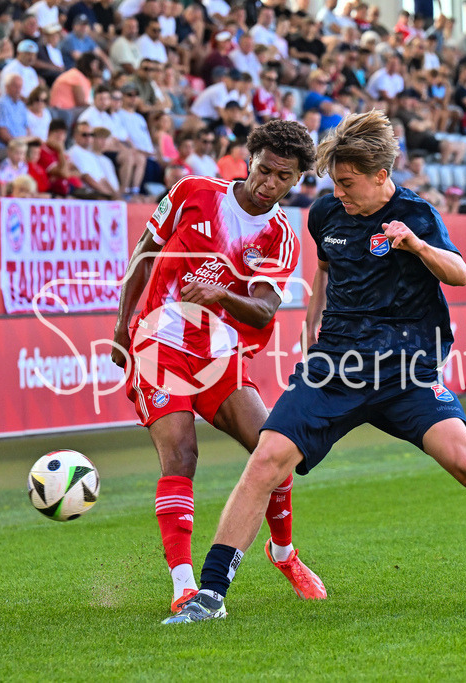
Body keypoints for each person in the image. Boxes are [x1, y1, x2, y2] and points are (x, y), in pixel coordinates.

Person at [165, 110, 466, 624]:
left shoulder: (416, 215)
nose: (340, 193)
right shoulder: (326, 215)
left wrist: (418, 246)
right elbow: (326, 269)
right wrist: (314, 323)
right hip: (335, 367)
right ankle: (212, 595)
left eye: (350, 183)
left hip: (406, 372)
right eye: (334, 182)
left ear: (382, 176)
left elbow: (461, 273)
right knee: (266, 458)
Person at [112, 119, 327, 615]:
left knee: (273, 449)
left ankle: (284, 553)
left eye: (283, 176)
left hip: (218, 355)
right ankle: (184, 584)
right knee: (182, 455)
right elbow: (143, 255)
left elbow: (265, 311)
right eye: (264, 168)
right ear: (250, 158)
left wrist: (220, 295)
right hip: (158, 343)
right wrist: (123, 327)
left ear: (296, 181)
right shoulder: (192, 191)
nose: (268, 182)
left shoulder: (280, 236)